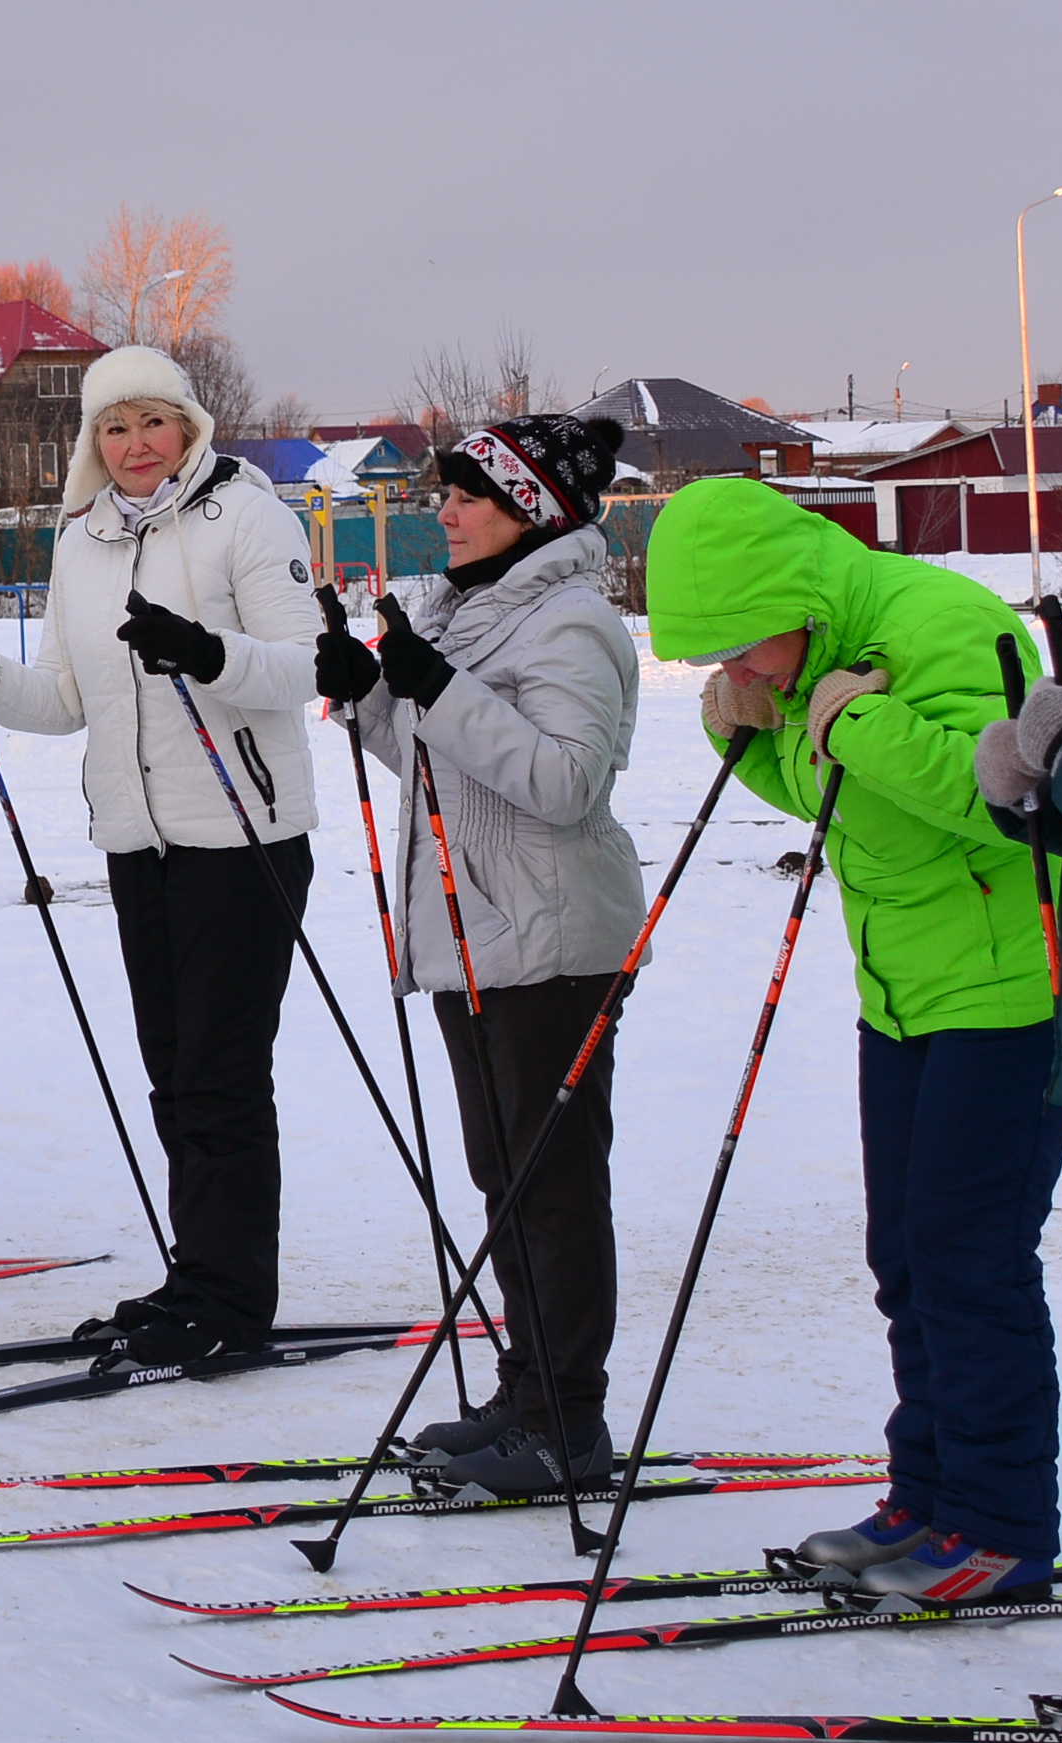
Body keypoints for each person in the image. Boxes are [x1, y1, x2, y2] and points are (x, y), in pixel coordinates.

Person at [654, 477, 1061, 1608]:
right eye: (716, 660)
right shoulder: (813, 649)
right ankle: (927, 1499)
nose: (743, 668)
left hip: (1015, 991)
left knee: (971, 1260)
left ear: (791, 593)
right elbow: (837, 797)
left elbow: (1013, 803)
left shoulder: (940, 623)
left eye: (744, 648)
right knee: (908, 1260)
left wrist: (855, 721)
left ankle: (1003, 1527)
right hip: (905, 992)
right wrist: (757, 741)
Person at [0, 346, 325, 1363]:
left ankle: (233, 1303)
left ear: (188, 427)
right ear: (92, 443)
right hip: (137, 842)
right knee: (171, 1074)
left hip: (245, 838)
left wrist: (208, 653)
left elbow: (303, 665)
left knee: (219, 1078)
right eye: (115, 428)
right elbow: (67, 698)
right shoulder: (84, 540)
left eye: (153, 423)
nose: (135, 445)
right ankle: (197, 1274)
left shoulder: (247, 516)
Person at [318, 416, 639, 1496]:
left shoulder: (572, 623)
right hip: (474, 941)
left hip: (549, 946)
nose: (442, 511)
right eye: (444, 492)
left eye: (466, 494)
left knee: (550, 1187)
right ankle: (528, 1390)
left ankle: (568, 1424)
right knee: (506, 1182)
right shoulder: (473, 615)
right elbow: (441, 767)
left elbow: (561, 783)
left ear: (532, 510)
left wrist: (435, 690)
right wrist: (373, 694)